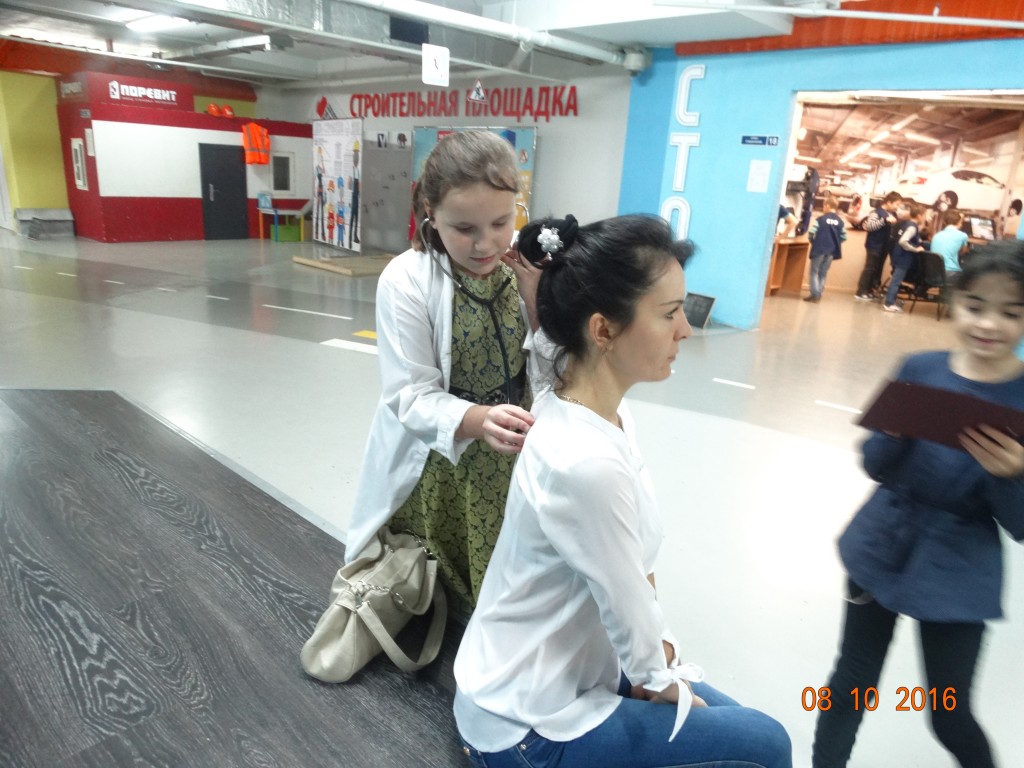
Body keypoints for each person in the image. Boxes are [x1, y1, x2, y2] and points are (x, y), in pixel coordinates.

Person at [454, 214, 793, 768]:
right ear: (603, 331)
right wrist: (663, 678)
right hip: (526, 723)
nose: (686, 330)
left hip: (566, 671)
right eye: (669, 313)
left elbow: (548, 344)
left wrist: (663, 665)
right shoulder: (585, 463)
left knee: (742, 730)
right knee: (767, 744)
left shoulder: (586, 402)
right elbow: (634, 625)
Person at [812, 241, 1024, 768]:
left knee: (948, 712)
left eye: (1011, 312)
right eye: (975, 305)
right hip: (883, 540)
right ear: (956, 301)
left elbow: (1019, 525)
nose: (989, 324)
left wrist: (1011, 477)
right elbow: (875, 464)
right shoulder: (921, 368)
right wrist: (891, 434)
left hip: (959, 567)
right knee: (851, 684)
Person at [342, 130, 548, 612]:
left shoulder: (524, 269)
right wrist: (479, 421)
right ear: (430, 213)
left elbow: (553, 365)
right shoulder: (407, 280)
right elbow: (410, 395)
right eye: (464, 228)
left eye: (501, 222)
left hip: (517, 454)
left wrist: (538, 300)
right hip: (447, 465)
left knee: (514, 583)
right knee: (443, 593)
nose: (485, 243)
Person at [855, 191, 902, 301]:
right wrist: (884, 220)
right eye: (896, 204)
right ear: (889, 202)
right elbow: (869, 227)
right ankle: (861, 291)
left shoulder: (893, 214)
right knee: (870, 268)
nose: (897, 207)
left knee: (878, 269)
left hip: (884, 247)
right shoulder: (876, 213)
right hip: (874, 246)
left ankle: (870, 290)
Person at [882, 203, 926, 313]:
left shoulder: (907, 224)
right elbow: (903, 241)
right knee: (896, 281)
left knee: (896, 280)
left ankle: (890, 301)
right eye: (924, 216)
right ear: (919, 216)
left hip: (898, 256)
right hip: (903, 258)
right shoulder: (912, 227)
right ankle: (889, 303)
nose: (925, 218)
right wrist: (915, 249)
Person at [804, 196, 846, 303]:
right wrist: (835, 243)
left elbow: (811, 233)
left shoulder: (820, 219)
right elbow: (844, 237)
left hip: (819, 249)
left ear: (827, 205)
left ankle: (815, 294)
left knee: (814, 272)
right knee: (823, 272)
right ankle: (819, 293)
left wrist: (814, 242)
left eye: (823, 206)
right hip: (831, 251)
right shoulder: (840, 222)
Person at [929, 210, 969, 276]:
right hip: (950, 272)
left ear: (944, 222)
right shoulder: (963, 235)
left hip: (933, 271)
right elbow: (963, 252)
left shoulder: (936, 235)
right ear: (959, 222)